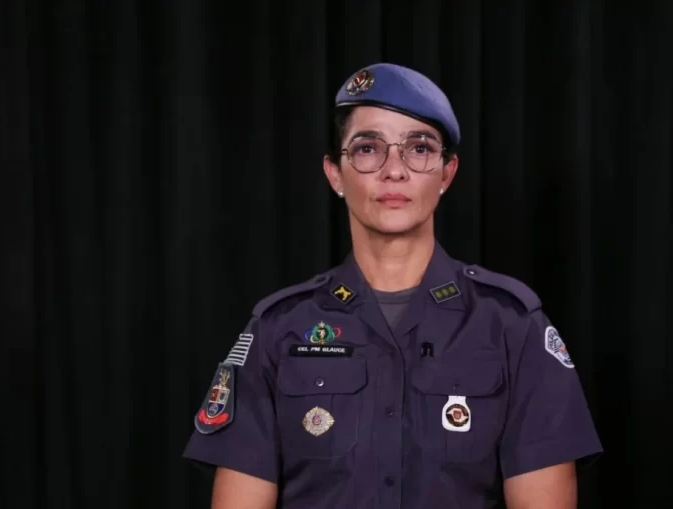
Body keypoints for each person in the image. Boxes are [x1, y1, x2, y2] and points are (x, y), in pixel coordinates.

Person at [183, 62, 603, 509]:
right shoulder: (276, 329)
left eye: (419, 148)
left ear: (446, 173)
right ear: (334, 173)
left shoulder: (513, 326)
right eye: (368, 148)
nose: (394, 171)